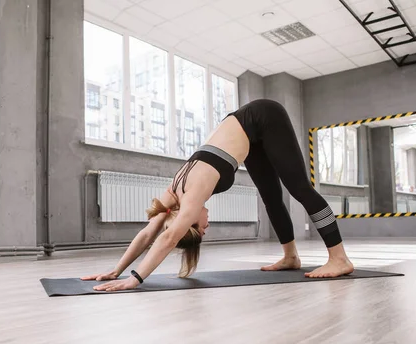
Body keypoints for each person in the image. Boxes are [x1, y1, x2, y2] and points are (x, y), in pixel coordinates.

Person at [81, 99, 354, 292]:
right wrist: (117, 269)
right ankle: (290, 257)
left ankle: (339, 258)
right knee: (271, 197)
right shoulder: (170, 199)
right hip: (249, 134)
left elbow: (167, 236)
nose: (206, 227)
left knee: (298, 188)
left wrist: (135, 279)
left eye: (200, 228)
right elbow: (147, 233)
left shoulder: (190, 197)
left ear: (187, 221)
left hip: (263, 115)